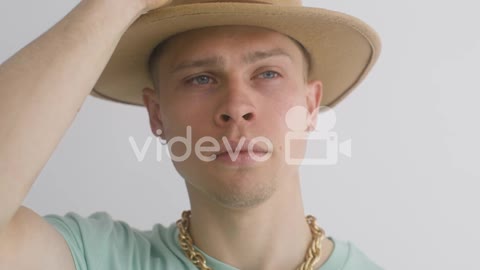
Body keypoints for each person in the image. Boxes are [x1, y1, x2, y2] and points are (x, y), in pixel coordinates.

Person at [0, 0, 383, 269]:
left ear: (311, 106)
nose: (236, 106)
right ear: (157, 114)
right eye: (200, 78)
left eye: (267, 73)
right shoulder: (97, 258)